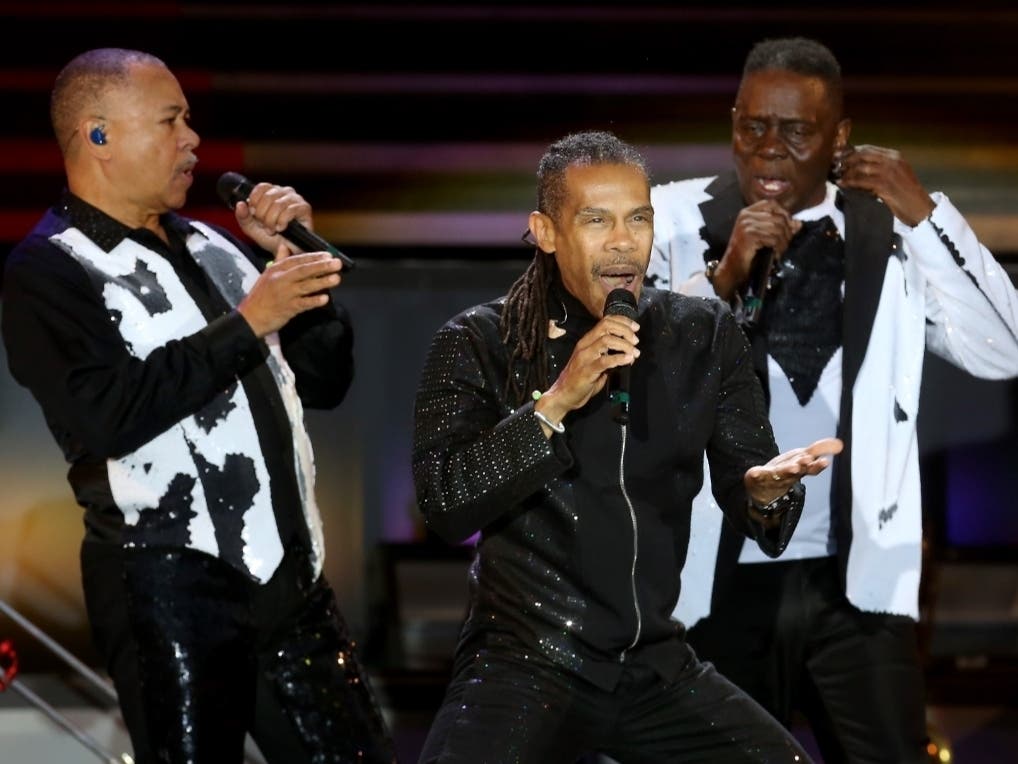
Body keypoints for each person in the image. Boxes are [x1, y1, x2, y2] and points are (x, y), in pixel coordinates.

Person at [1, 48, 395, 763]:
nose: (193, 140)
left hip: (291, 585)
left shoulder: (215, 245)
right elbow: (105, 415)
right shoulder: (49, 269)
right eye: (171, 120)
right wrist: (248, 322)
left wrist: (286, 270)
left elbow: (326, 380)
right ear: (99, 135)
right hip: (167, 588)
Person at [411, 129, 842, 763]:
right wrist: (554, 403)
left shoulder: (702, 333)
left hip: (653, 666)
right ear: (546, 230)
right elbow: (446, 505)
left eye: (638, 219)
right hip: (526, 659)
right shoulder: (480, 341)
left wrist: (766, 491)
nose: (623, 241)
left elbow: (754, 493)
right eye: (597, 220)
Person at [648, 36, 1018, 764]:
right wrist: (722, 279)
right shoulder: (673, 219)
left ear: (840, 137)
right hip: (713, 577)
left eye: (796, 130)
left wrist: (927, 215)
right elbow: (636, 377)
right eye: (753, 125)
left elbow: (1003, 349)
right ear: (732, 123)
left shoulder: (892, 232)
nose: (769, 149)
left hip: (856, 582)